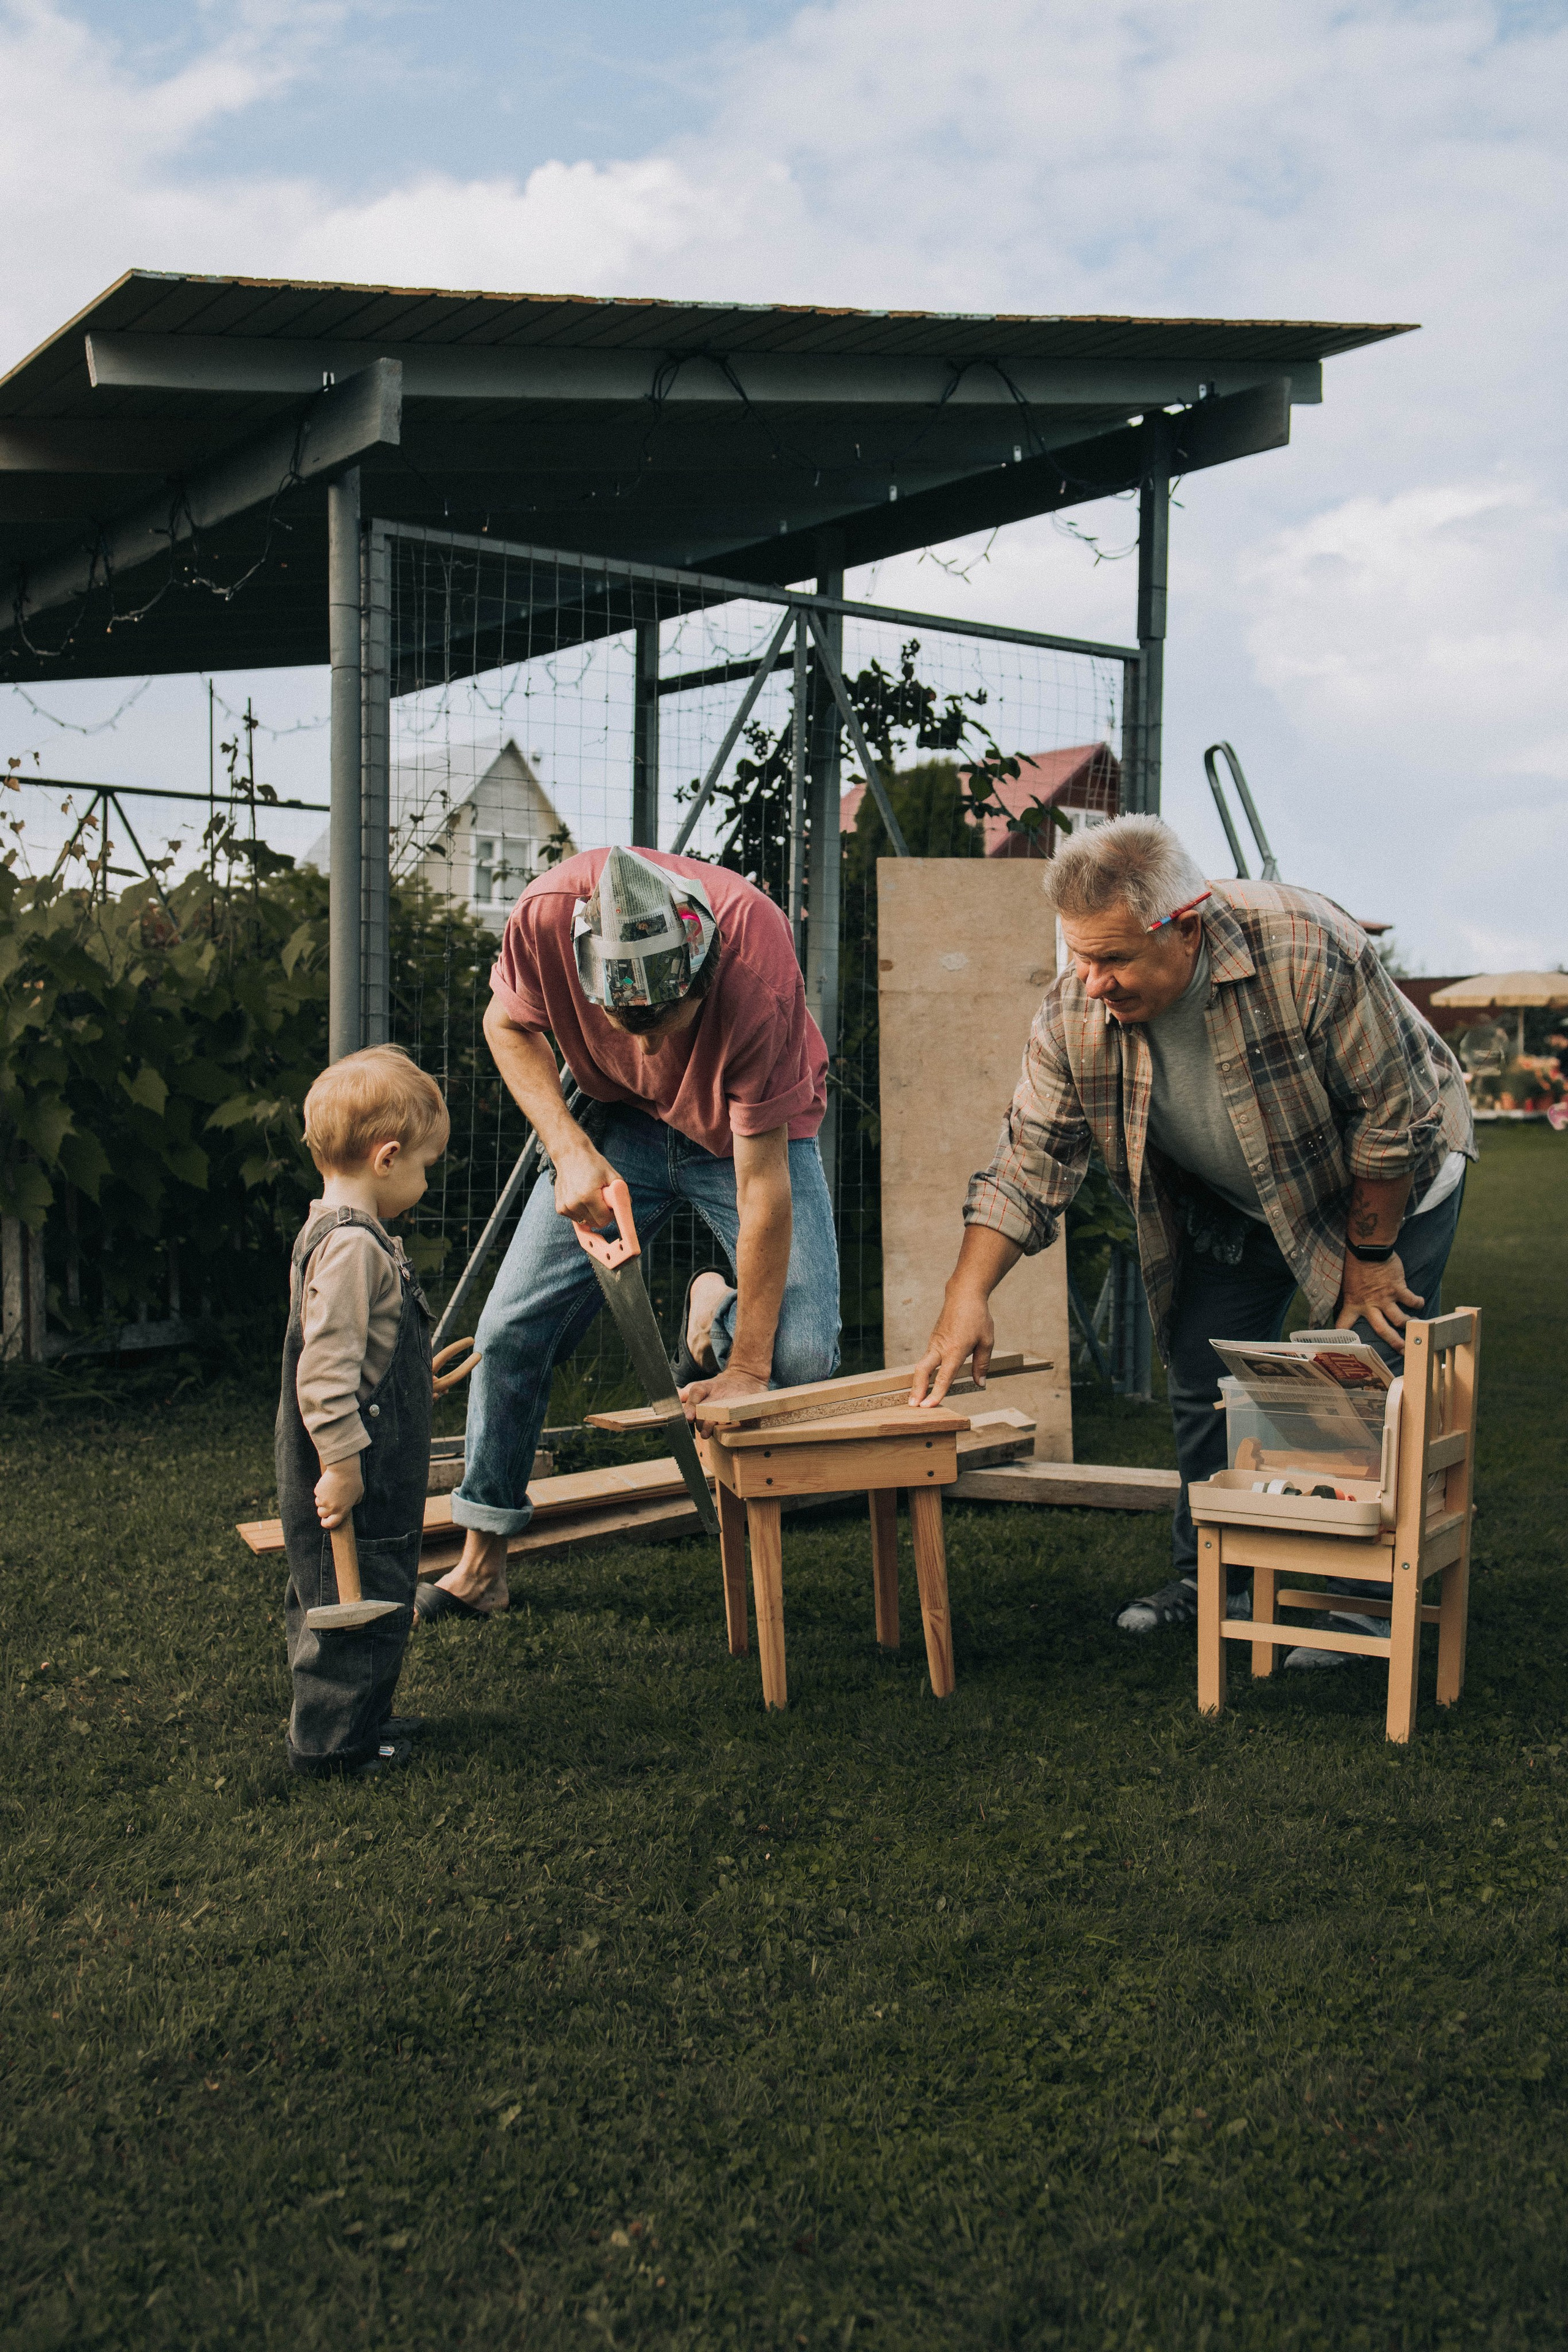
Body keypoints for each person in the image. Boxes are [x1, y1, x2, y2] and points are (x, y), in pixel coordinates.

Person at [910, 815, 1474, 1667]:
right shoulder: (1073, 1012)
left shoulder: (1309, 951)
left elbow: (1391, 1122)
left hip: (1395, 1182)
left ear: (1188, 927)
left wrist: (1367, 1261)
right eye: (1079, 956)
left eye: (1113, 959)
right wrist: (966, 1297)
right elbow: (1029, 1161)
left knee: (1355, 1378)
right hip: (1235, 1195)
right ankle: (1221, 1576)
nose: (1091, 981)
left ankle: (1352, 1608)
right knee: (1206, 1372)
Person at [416, 845, 840, 1624]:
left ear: (704, 974)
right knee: (510, 1331)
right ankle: (481, 1565)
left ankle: (715, 1315)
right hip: (618, 1128)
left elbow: (762, 1187)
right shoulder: (546, 917)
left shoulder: (756, 960)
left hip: (743, 1139)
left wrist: (746, 1367)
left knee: (802, 1359)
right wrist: (571, 1150)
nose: (645, 1049)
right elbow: (506, 1026)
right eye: (623, 1025)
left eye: (663, 1026)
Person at [278, 1045, 449, 1776]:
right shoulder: (353, 1248)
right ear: (386, 1158)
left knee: (378, 1588)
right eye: (422, 1165)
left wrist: (408, 1372)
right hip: (357, 1464)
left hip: (371, 1449)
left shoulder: (341, 1231)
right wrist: (343, 1466)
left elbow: (359, 1353)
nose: (424, 1179)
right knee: (346, 1596)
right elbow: (323, 1375)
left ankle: (365, 1718)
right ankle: (332, 1745)